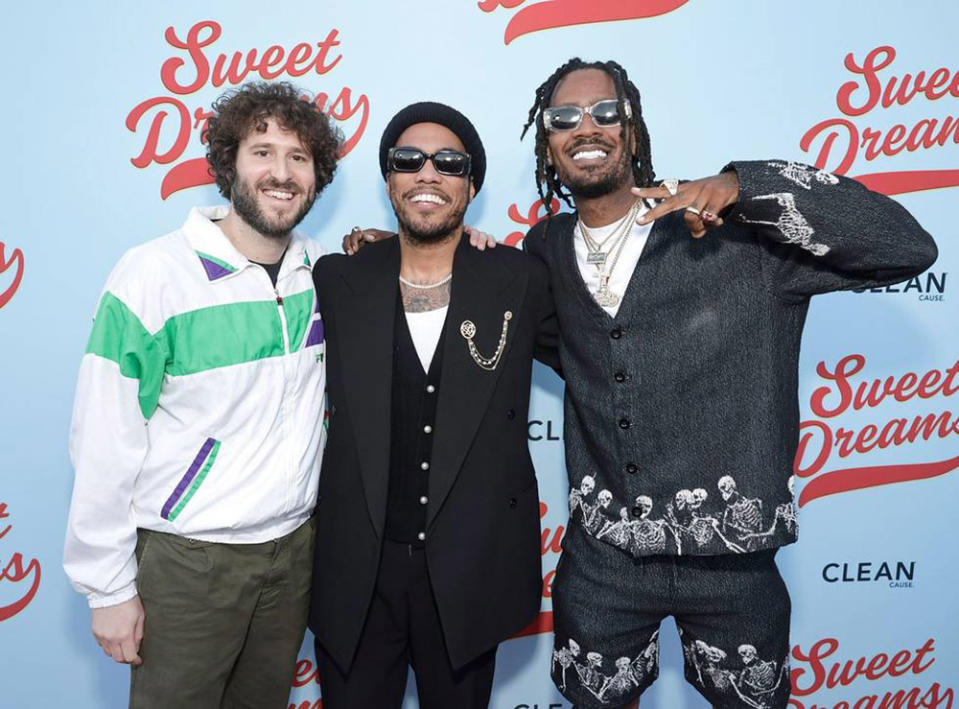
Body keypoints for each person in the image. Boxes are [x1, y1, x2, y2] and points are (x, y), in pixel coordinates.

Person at [346, 58, 937, 709]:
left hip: (734, 566)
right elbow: (500, 325)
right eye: (562, 118)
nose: (585, 127)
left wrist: (746, 183)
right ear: (546, 144)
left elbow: (902, 247)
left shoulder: (737, 233)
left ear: (632, 129)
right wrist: (400, 256)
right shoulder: (544, 247)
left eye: (605, 112)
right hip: (603, 563)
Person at [64, 81, 339, 708]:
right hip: (190, 564)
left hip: (294, 555)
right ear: (228, 163)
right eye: (262, 151)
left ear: (317, 176)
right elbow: (103, 438)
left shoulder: (320, 272)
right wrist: (107, 589)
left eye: (298, 157)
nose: (281, 172)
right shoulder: (154, 274)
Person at [309, 101, 558, 708]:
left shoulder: (518, 278)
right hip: (356, 578)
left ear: (470, 185)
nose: (427, 173)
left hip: (469, 575)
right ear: (388, 179)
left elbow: (607, 358)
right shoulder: (336, 280)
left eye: (448, 162)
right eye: (407, 160)